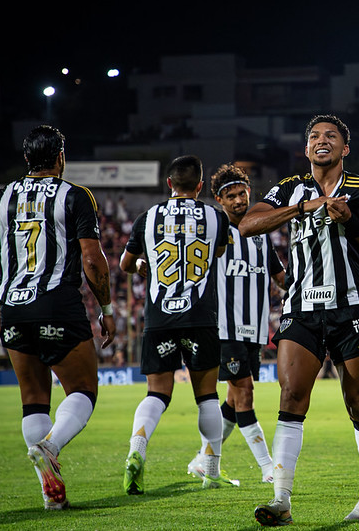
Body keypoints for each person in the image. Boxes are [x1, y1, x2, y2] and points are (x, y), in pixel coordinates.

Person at [239, 114, 359, 525]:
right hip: (301, 309)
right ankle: (281, 501)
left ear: (345, 149)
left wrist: (352, 222)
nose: (321, 140)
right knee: (290, 399)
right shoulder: (291, 188)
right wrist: (303, 207)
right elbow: (248, 223)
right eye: (314, 136)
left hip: (349, 311)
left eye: (331, 136)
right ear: (306, 149)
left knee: (358, 403)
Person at [0, 125, 116, 509]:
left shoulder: (0, 197)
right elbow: (93, 260)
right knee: (83, 391)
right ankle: (52, 446)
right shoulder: (76, 196)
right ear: (60, 157)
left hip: (13, 308)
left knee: (33, 401)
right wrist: (107, 309)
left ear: (27, 159)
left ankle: (52, 495)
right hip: (57, 305)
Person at [120, 154, 236, 494]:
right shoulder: (217, 216)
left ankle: (136, 450)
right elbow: (216, 253)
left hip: (160, 317)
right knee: (207, 396)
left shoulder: (148, 216)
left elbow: (128, 263)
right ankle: (211, 469)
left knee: (156, 392)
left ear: (169, 184)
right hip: (200, 315)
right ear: (200, 186)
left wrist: (144, 263)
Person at [186, 164, 285, 484]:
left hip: (253, 328)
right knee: (245, 393)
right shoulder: (213, 232)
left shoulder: (260, 233)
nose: (239, 200)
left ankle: (204, 460)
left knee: (232, 400)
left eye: (242, 193)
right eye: (230, 196)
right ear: (219, 199)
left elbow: (279, 276)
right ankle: (268, 468)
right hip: (224, 327)